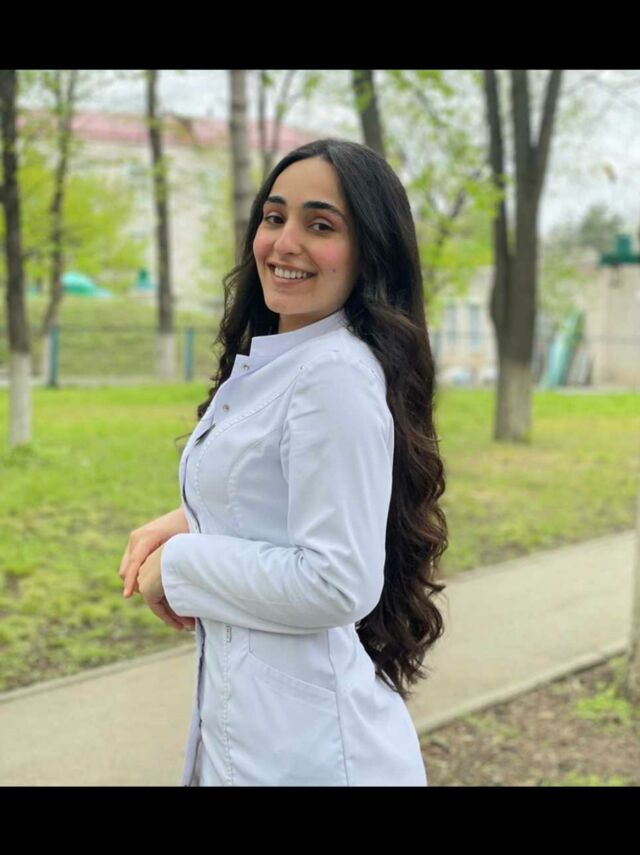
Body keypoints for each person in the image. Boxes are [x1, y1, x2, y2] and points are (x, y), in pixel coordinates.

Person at [118, 138, 448, 786]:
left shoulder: (333, 375)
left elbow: (337, 581)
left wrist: (177, 566)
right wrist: (190, 518)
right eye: (274, 217)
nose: (284, 242)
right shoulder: (292, 361)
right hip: (256, 742)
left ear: (368, 251)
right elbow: (280, 490)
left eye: (320, 225)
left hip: (313, 759)